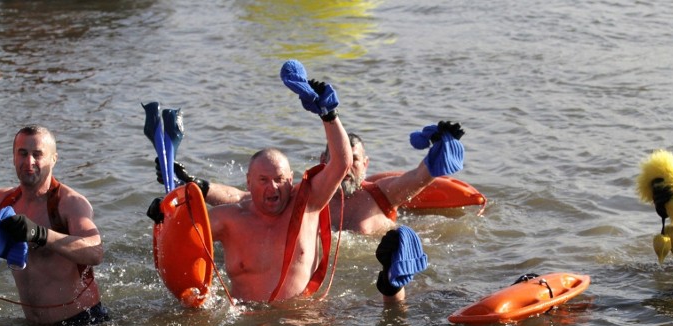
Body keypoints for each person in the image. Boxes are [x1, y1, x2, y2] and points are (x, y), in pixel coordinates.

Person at [149, 61, 353, 303]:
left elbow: (341, 163)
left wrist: (328, 115)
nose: (273, 187)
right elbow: (179, 240)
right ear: (249, 182)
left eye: (279, 180)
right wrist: (165, 213)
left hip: (300, 322)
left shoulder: (307, 205)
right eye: (264, 180)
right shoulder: (229, 220)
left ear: (291, 180)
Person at [159, 122, 466, 236]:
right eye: (336, 162)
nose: (346, 169)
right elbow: (244, 199)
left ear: (365, 164)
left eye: (353, 162)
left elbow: (418, 178)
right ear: (324, 164)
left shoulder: (379, 194)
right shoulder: (303, 196)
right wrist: (200, 186)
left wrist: (440, 150)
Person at [0, 125, 105, 326]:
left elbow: (95, 252)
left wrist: (40, 234)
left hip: (81, 325)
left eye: (37, 154)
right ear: (13, 157)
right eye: (22, 153)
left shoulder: (70, 203)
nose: (29, 162)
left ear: (53, 159)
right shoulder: (2, 201)